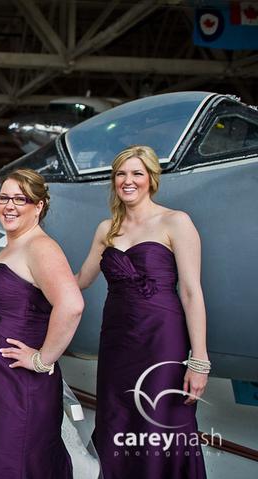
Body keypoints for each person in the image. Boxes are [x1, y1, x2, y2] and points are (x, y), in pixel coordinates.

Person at [0, 169, 100, 479]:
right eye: (3, 198)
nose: (9, 206)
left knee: (14, 461)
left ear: (39, 206)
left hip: (20, 384)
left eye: (20, 199)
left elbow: (72, 305)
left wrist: (42, 359)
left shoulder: (40, 247)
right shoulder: (15, 245)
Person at [76, 145, 208, 478]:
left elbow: (191, 292)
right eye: (121, 174)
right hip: (117, 342)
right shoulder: (106, 229)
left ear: (151, 178)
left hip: (162, 339)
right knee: (117, 419)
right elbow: (81, 280)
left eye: (137, 173)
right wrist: (29, 280)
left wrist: (199, 360)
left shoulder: (176, 221)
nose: (128, 181)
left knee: (160, 418)